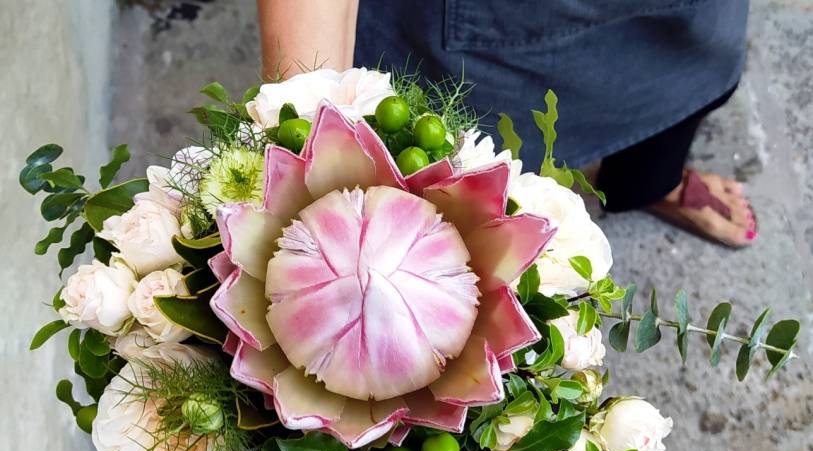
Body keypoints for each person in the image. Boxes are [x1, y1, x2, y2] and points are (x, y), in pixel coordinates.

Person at [256, 0, 757, 247]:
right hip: (489, 25)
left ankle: (649, 182)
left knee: (691, 64)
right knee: (454, 192)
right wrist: (308, 134)